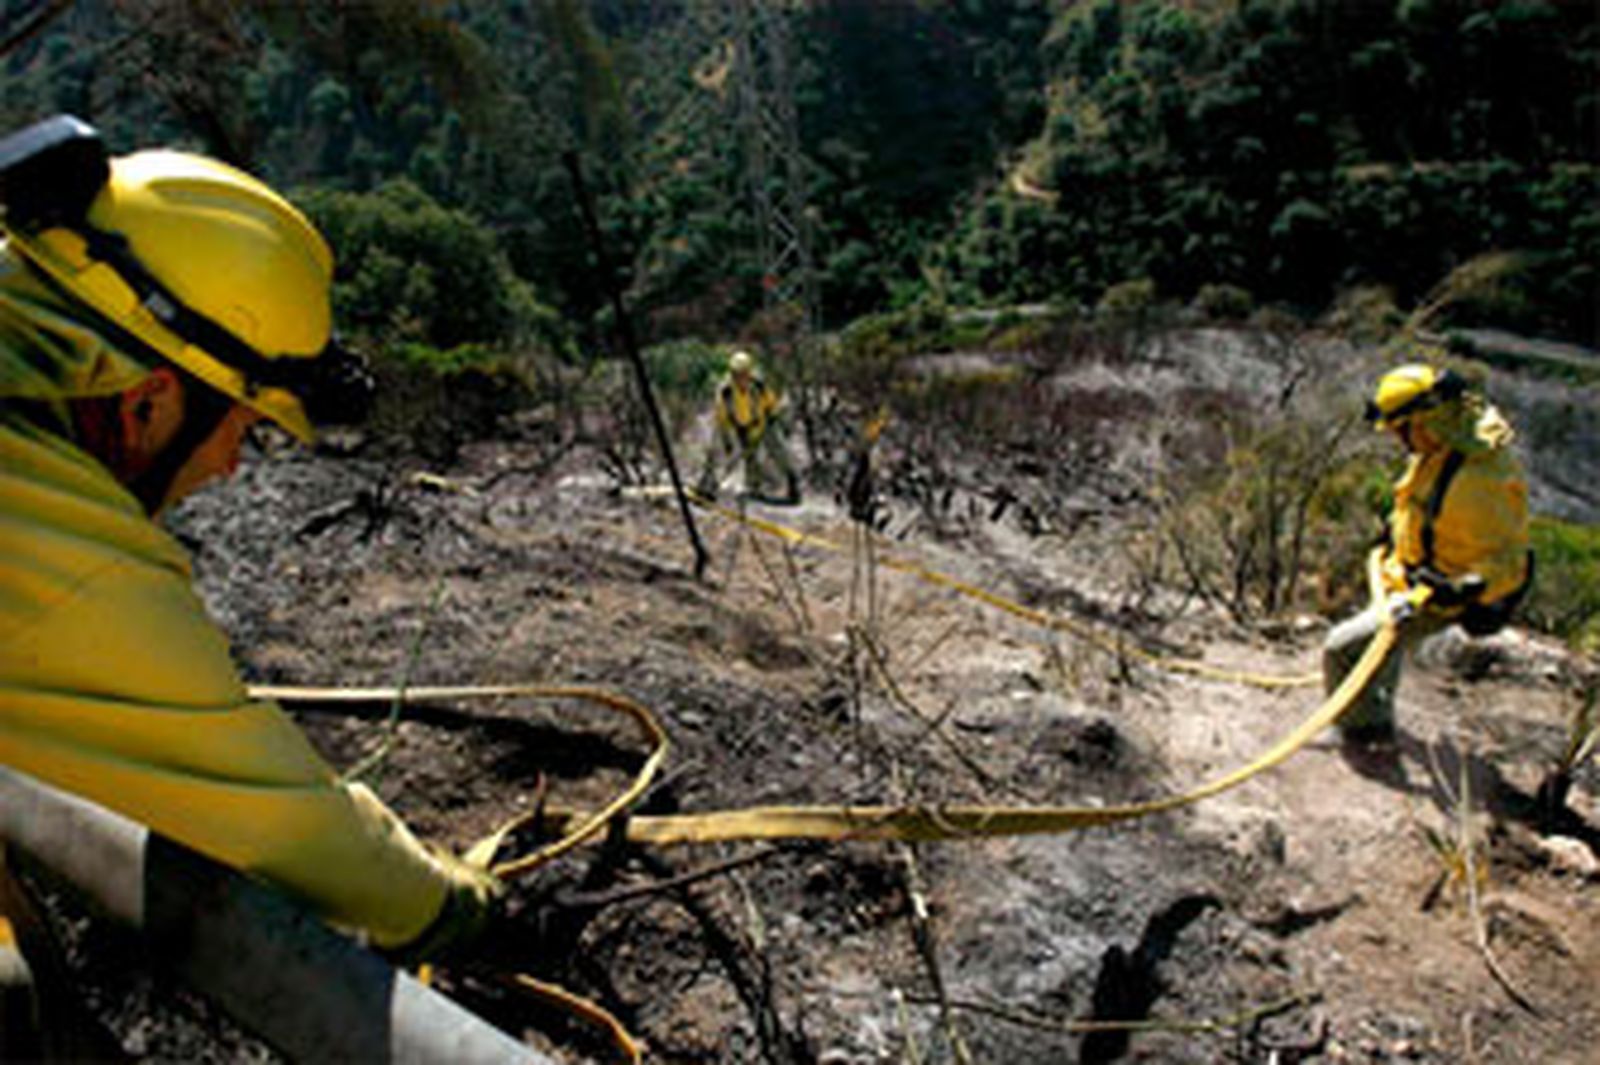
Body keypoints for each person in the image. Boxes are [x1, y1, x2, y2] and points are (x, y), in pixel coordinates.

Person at [0, 114, 497, 1016]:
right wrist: (457, 907)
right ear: (149, 401)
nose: (231, 464)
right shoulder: (61, 558)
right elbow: (283, 825)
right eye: (242, 424)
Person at [1324, 362, 1533, 745]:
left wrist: (1465, 587)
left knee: (1341, 646)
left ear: (1427, 419)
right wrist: (1393, 531)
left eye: (1402, 430)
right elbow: (1421, 501)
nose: (1398, 441)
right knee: (1379, 640)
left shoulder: (1479, 480)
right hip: (1407, 574)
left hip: (1440, 595)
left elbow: (1511, 559)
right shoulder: (1444, 447)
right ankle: (1375, 712)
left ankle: (1361, 730)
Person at [695, 349, 800, 504]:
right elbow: (722, 417)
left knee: (780, 451)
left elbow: (771, 406)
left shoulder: (758, 385)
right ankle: (709, 486)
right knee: (731, 455)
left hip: (763, 424)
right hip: (741, 427)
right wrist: (729, 440)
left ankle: (793, 484)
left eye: (743, 373)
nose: (740, 377)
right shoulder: (726, 391)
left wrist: (768, 424)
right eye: (736, 373)